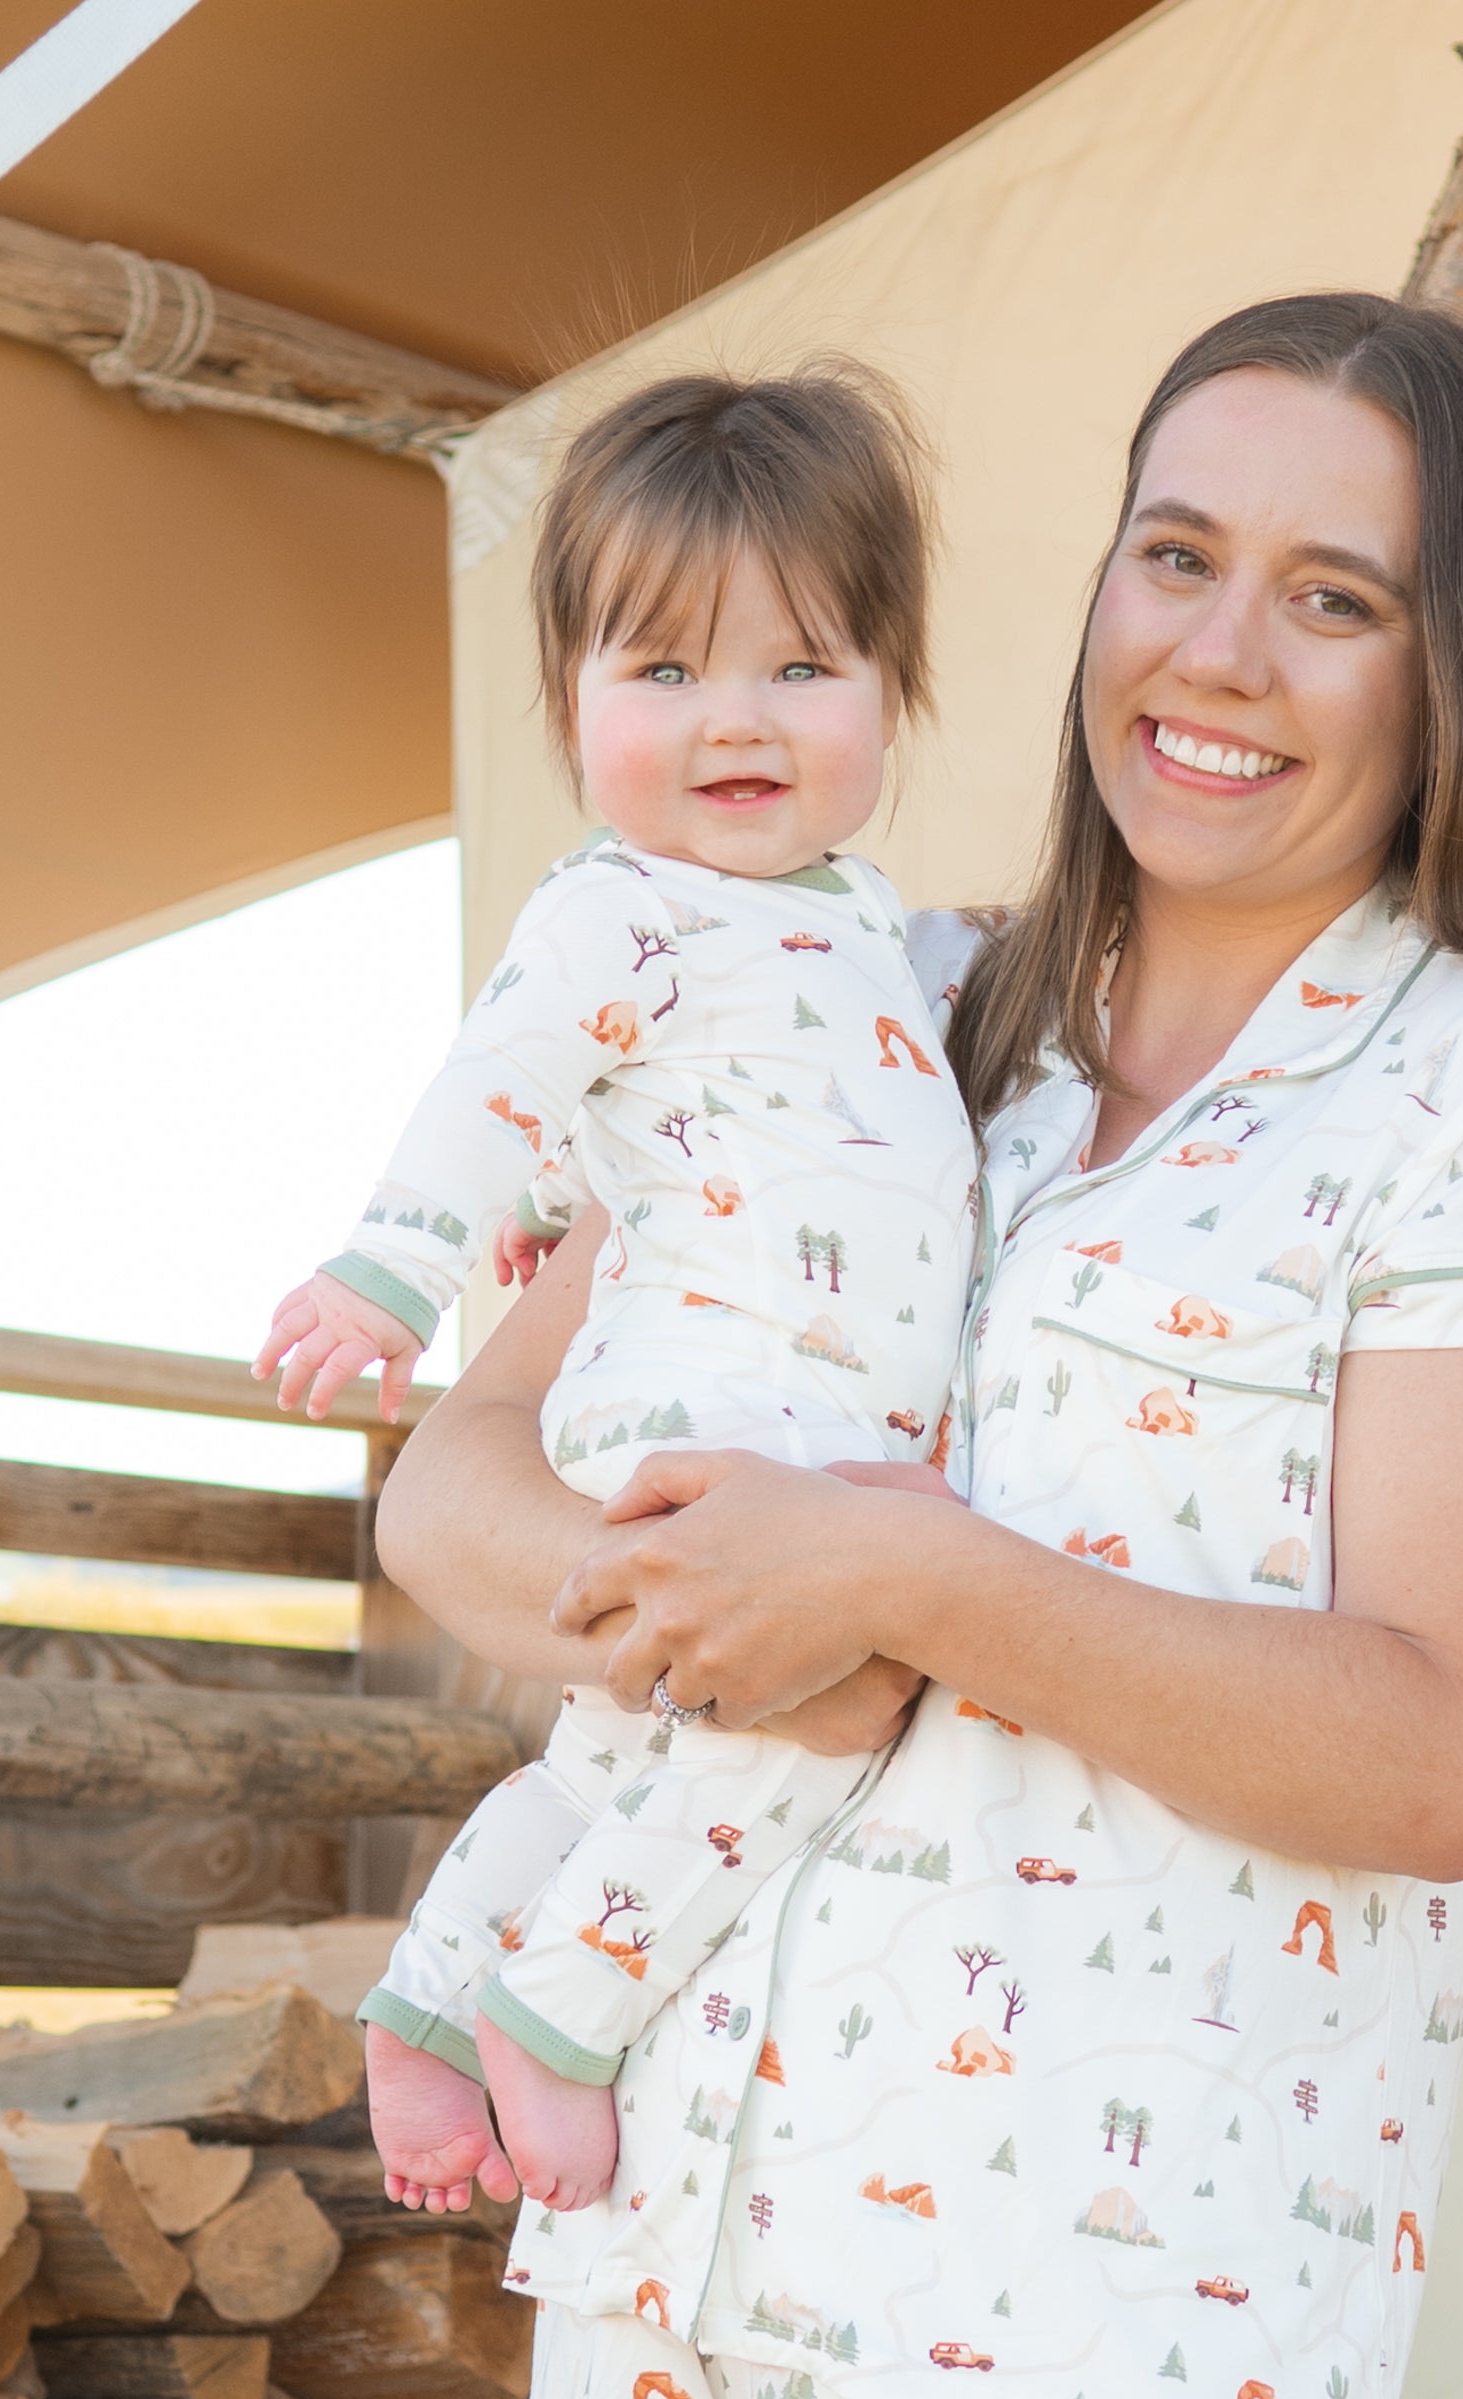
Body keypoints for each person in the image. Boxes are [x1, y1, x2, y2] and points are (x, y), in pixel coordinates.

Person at [378, 292, 1463, 2399]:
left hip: (1111, 2365)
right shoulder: (856, 996)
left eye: (1335, 597)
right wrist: (702, 1621)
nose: (1218, 652)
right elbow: (456, 1479)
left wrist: (911, 1586)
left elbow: (1440, 1744)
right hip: (683, 2306)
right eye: (1176, 555)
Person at [251, 365, 981, 2222]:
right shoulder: (620, 906)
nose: (734, 718)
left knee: (613, 1746)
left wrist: (573, 1182)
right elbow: (499, 1074)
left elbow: (697, 1108)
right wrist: (394, 1269)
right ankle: (563, 2012)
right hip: (736, 1413)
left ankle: (425, 2001)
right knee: (830, 1699)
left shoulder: (856, 927)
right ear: (570, 706)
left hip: (759, 1400)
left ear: (895, 689)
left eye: (802, 666)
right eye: (662, 672)